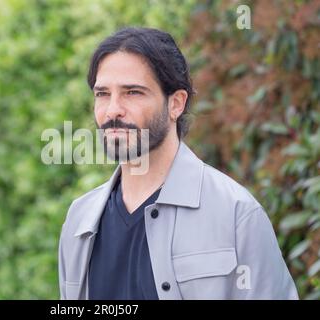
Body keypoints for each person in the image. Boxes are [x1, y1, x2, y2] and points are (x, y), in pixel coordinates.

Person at [58, 27, 298, 300]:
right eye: (102, 94)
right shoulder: (80, 221)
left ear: (176, 104)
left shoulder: (236, 214)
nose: (112, 109)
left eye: (133, 92)